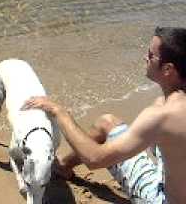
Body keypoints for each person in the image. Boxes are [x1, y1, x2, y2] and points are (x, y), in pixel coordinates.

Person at [22, 27, 186, 204]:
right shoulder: (167, 106)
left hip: (164, 199)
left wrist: (59, 111)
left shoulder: (161, 116)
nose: (144, 58)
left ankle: (61, 167)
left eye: (151, 55)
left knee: (106, 123)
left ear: (168, 69)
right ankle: (62, 165)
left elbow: (95, 158)